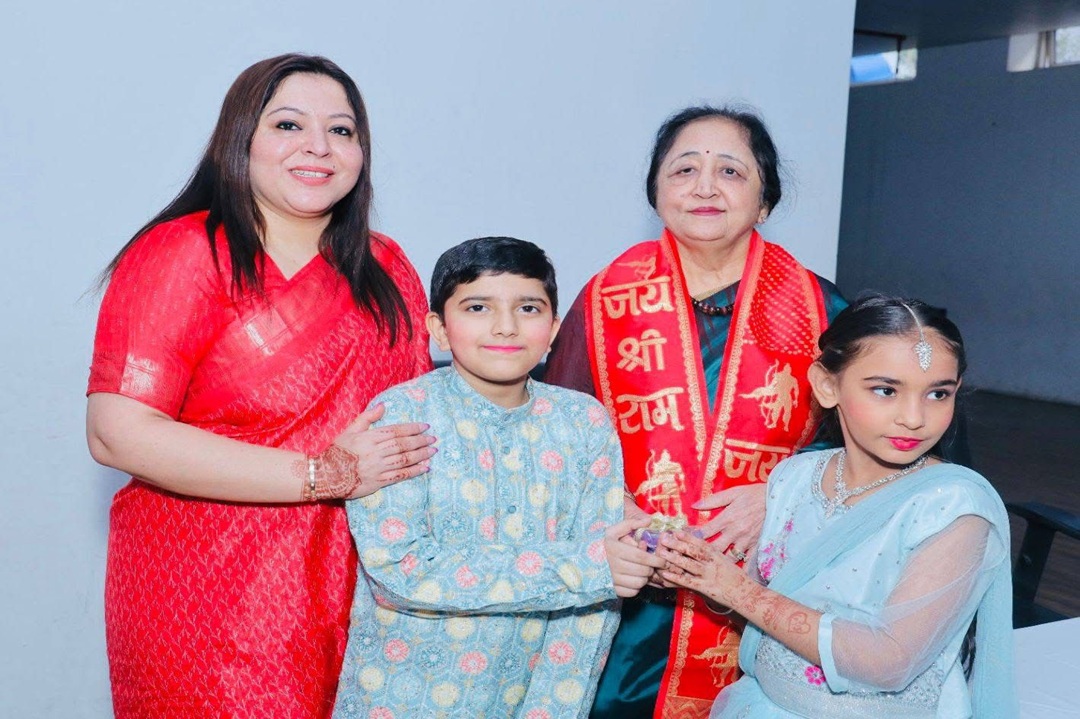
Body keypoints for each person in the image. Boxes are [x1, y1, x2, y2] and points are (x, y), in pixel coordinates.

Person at [86, 54, 437, 718]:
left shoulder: (386, 267)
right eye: (288, 125)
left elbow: (425, 427)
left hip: (365, 596)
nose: (318, 147)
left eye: (341, 130)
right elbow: (118, 433)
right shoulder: (184, 253)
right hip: (210, 595)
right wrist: (325, 473)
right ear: (240, 138)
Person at [544, 105, 847, 717]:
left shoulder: (819, 308)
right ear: (657, 193)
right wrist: (614, 507)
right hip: (629, 587)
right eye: (684, 169)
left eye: (730, 171)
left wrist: (780, 495)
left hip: (763, 581)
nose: (705, 186)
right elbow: (557, 429)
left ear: (765, 202)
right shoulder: (605, 300)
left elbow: (863, 444)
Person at [657, 295, 1015, 718]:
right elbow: (760, 614)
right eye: (886, 390)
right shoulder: (794, 479)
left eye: (938, 393)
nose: (915, 417)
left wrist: (732, 588)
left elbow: (888, 662)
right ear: (827, 385)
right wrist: (698, 572)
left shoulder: (954, 509)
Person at [334, 237, 647, 718]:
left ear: (553, 329)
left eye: (528, 308)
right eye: (478, 307)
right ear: (439, 329)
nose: (506, 326)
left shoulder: (583, 422)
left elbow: (597, 600)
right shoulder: (403, 415)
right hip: (404, 696)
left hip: (535, 696)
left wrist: (555, 709)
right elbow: (400, 572)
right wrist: (585, 568)